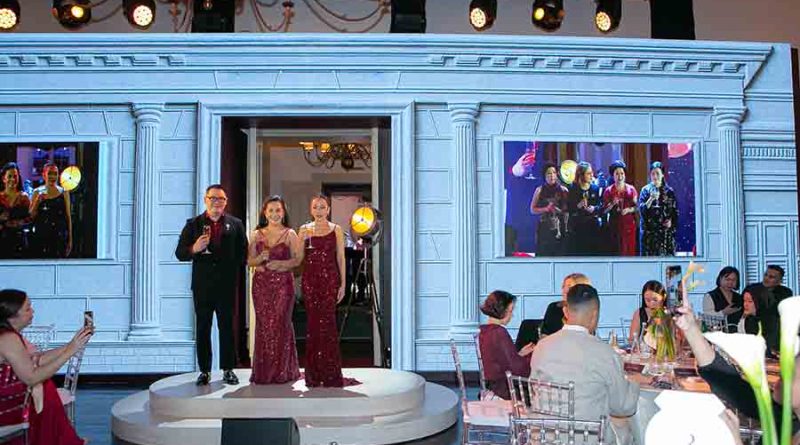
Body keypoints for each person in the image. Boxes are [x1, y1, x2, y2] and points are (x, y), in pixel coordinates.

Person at [673, 290, 800, 443]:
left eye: (790, 375)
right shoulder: (783, 415)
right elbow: (729, 383)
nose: (779, 380)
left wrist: (736, 440)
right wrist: (691, 328)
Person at [530, 284, 639, 445]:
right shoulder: (605, 352)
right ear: (595, 315)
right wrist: (635, 383)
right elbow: (622, 407)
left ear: (566, 312)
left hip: (544, 438)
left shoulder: (542, 346)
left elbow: (534, 388)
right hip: (586, 439)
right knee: (630, 431)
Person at [175, 185, 247, 386]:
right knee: (203, 327)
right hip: (202, 286)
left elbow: (243, 252)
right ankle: (205, 371)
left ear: (226, 202)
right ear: (205, 200)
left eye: (221, 199)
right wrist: (194, 248)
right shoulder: (193, 224)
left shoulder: (236, 224)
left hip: (226, 286)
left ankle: (228, 369)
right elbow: (180, 253)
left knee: (227, 327)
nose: (217, 202)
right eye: (213, 198)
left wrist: (230, 265)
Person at [0, 289, 93, 445]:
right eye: (27, 309)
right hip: (5, 408)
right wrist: (70, 350)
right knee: (44, 386)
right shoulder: (7, 338)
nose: (32, 311)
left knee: (45, 387)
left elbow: (36, 360)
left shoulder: (9, 335)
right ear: (12, 315)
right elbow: (31, 377)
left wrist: (73, 345)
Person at [297, 195, 357, 387]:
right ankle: (313, 374)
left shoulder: (336, 229)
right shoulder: (304, 229)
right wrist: (300, 241)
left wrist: (343, 284)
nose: (319, 210)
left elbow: (340, 258)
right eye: (316, 207)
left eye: (322, 207)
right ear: (311, 210)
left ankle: (330, 373)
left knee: (328, 326)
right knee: (313, 326)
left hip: (330, 281)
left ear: (328, 210)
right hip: (310, 281)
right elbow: (298, 258)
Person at [246, 196, 301, 384]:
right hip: (261, 286)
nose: (274, 214)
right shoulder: (256, 234)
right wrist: (259, 258)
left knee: (280, 324)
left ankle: (282, 371)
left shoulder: (290, 234)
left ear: (283, 213)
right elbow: (249, 261)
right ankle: (264, 372)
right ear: (265, 213)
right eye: (271, 210)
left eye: (278, 210)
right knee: (264, 326)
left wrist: (282, 265)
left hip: (283, 286)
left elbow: (298, 260)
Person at [478, 290, 535, 400]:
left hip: (494, 384)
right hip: (504, 388)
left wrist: (520, 354)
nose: (512, 315)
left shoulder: (484, 330)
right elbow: (517, 369)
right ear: (501, 310)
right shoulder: (499, 332)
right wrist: (534, 356)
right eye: (510, 311)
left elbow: (501, 360)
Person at [742, 265, 793, 355]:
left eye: (771, 277)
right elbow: (743, 307)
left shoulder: (785, 292)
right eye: (766, 275)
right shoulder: (752, 288)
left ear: (780, 281)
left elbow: (779, 311)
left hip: (774, 328)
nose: (766, 278)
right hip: (753, 325)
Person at [29, 163, 72, 258]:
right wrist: (37, 201)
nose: (52, 177)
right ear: (44, 175)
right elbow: (30, 216)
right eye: (50, 173)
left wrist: (70, 240)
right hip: (41, 236)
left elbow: (68, 217)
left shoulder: (64, 192)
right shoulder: (37, 192)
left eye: (55, 173)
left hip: (59, 236)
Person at [638, 161, 678, 256]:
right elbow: (642, 211)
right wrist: (651, 199)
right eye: (653, 174)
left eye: (657, 173)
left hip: (664, 234)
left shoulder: (669, 192)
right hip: (649, 234)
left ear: (662, 175)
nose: (655, 176)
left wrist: (671, 222)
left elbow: (675, 212)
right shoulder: (645, 190)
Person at [530, 163, 569, 256]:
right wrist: (546, 209)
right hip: (545, 228)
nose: (552, 176)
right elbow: (532, 209)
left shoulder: (563, 190)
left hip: (559, 228)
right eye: (549, 173)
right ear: (544, 176)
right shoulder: (539, 190)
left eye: (554, 173)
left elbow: (567, 211)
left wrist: (559, 211)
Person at [602, 160, 638, 256]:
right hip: (615, 225)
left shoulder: (631, 189)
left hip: (629, 226)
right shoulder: (608, 191)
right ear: (613, 176)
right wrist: (612, 204)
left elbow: (637, 207)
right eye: (617, 174)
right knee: (616, 252)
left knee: (629, 251)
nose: (620, 176)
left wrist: (629, 210)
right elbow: (604, 211)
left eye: (622, 173)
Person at [567, 161, 603, 255]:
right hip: (577, 228)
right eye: (588, 173)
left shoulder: (595, 188)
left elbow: (600, 206)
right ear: (581, 175)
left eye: (592, 173)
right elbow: (568, 209)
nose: (592, 175)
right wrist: (577, 206)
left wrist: (594, 208)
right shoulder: (572, 189)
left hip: (593, 227)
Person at [540, 273, 591, 337]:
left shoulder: (588, 310)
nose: (565, 290)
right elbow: (545, 334)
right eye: (564, 286)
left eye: (570, 287)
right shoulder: (554, 308)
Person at [0, 163, 31, 259]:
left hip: (19, 240)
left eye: (15, 176)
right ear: (4, 178)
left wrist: (20, 222)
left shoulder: (24, 197)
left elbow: (30, 218)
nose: (13, 179)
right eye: (9, 176)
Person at [702, 266, 743, 332]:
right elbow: (708, 321)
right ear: (720, 279)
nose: (730, 282)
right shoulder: (710, 296)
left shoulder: (739, 297)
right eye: (727, 279)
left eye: (733, 280)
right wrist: (723, 312)